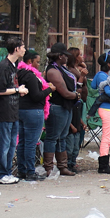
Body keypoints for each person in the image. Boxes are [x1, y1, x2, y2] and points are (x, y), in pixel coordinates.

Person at [44, 42, 83, 176]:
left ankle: (62, 166)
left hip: (66, 106)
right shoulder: (52, 71)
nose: (67, 58)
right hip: (56, 107)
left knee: (62, 137)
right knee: (52, 137)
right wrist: (76, 95)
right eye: (65, 55)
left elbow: (75, 79)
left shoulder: (62, 69)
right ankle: (48, 167)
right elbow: (64, 92)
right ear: (60, 56)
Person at [0, 36, 26, 184]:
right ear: (16, 49)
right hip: (4, 110)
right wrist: (18, 90)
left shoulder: (15, 65)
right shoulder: (4, 66)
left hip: (13, 110)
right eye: (23, 47)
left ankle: (7, 171)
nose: (25, 49)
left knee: (12, 143)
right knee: (4, 143)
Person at [16, 49, 54, 181]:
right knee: (31, 143)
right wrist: (49, 89)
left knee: (22, 142)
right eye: (37, 62)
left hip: (20, 110)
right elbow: (36, 96)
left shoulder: (19, 73)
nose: (39, 64)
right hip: (33, 111)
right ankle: (30, 172)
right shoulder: (30, 76)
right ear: (29, 61)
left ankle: (21, 170)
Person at [66, 47, 89, 172]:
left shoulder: (77, 69)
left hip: (80, 103)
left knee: (79, 134)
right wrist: (81, 76)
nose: (82, 57)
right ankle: (69, 162)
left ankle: (73, 160)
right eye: (80, 55)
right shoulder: (71, 72)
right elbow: (76, 88)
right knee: (71, 138)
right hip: (74, 103)